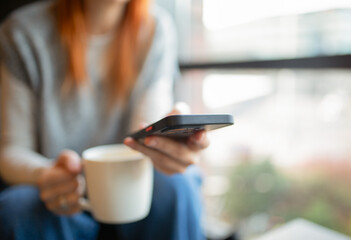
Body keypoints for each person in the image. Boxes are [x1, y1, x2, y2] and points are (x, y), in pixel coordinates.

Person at [0, 0, 209, 239]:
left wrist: (167, 145)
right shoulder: (22, 33)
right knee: (18, 209)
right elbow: (12, 150)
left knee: (177, 186)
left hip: (128, 180)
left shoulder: (155, 28)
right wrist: (46, 175)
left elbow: (144, 133)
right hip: (57, 186)